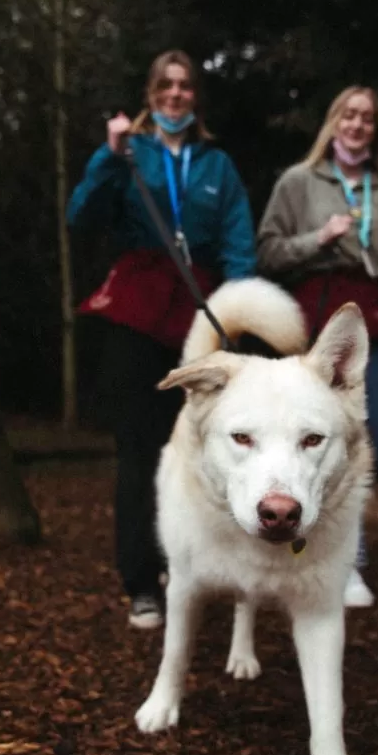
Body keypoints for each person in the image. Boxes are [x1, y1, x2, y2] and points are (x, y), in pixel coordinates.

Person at [67, 50, 256, 629]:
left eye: (185, 86)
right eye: (165, 86)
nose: (175, 95)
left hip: (200, 311)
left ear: (194, 97)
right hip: (138, 306)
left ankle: (191, 562)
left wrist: (239, 314)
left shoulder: (217, 166)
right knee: (138, 449)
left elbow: (238, 240)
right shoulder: (129, 155)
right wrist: (109, 155)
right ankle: (141, 581)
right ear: (150, 95)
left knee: (203, 444)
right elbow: (81, 217)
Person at [257, 86, 378, 607]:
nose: (357, 124)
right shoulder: (299, 182)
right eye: (348, 114)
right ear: (333, 121)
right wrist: (318, 238)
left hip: (369, 317)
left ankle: (335, 550)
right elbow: (268, 250)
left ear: (376, 128)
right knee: (301, 435)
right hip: (309, 313)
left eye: (367, 117)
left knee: (374, 442)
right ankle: (331, 560)